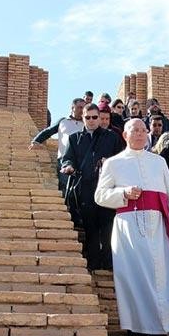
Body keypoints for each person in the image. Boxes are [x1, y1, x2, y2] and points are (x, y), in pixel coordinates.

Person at [95, 119, 169, 336]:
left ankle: (159, 329)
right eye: (134, 130)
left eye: (142, 130)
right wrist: (124, 192)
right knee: (132, 277)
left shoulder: (158, 161)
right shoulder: (114, 163)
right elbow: (100, 195)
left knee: (161, 277)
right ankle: (135, 329)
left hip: (157, 227)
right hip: (129, 228)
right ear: (125, 135)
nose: (139, 134)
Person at [61, 103, 123, 271]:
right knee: (90, 228)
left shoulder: (111, 137)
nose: (91, 120)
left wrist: (109, 163)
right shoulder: (74, 138)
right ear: (83, 118)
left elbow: (121, 158)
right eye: (87, 117)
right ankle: (94, 263)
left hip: (107, 189)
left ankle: (109, 264)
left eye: (95, 117)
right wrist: (68, 166)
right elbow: (68, 158)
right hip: (86, 189)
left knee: (108, 227)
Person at [29, 98, 85, 192]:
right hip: (64, 159)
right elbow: (48, 131)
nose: (82, 110)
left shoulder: (86, 124)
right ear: (72, 107)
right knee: (65, 186)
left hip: (81, 160)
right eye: (79, 107)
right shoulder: (63, 121)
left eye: (84, 108)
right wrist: (36, 141)